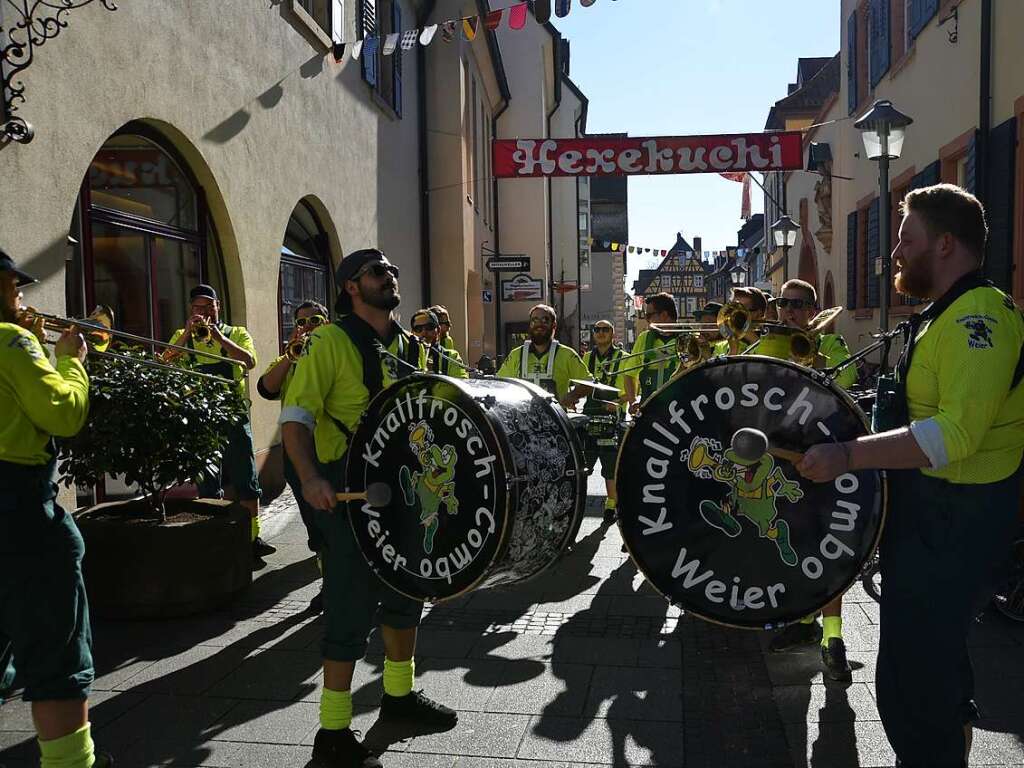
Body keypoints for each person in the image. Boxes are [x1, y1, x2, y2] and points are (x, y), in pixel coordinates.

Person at [795, 184, 1024, 767]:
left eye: (905, 238)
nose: (893, 252)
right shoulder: (942, 315)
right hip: (931, 521)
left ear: (944, 244)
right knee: (925, 668)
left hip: (959, 524)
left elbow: (955, 435)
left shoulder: (979, 320)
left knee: (916, 682)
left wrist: (849, 456)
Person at [280, 249, 455, 768]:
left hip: (403, 486)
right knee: (349, 605)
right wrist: (310, 477)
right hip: (349, 487)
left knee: (407, 594)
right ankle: (331, 733)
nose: (391, 275)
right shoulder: (328, 342)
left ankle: (398, 697)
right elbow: (294, 418)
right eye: (380, 272)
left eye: (393, 270)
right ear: (352, 287)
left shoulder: (405, 344)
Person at [0, 250, 112, 768]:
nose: (21, 297)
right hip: (20, 509)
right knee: (57, 650)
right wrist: (70, 358)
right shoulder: (12, 341)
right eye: (15, 287)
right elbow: (62, 414)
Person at [765, 278, 857, 681]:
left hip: (824, 458)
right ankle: (802, 622)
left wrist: (815, 354)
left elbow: (849, 380)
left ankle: (832, 638)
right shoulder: (770, 342)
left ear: (813, 309)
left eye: (800, 305)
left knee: (828, 549)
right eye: (785, 303)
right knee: (788, 543)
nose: (791, 311)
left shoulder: (833, 345)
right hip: (782, 459)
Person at [162, 284, 270, 561]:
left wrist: (220, 338)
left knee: (246, 477)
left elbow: (249, 361)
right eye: (198, 308)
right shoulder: (181, 336)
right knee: (207, 483)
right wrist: (187, 333)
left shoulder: (237, 333)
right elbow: (164, 363)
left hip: (233, 413)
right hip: (201, 415)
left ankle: (252, 538)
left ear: (218, 306)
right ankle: (218, 538)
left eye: (208, 306)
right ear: (190, 310)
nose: (204, 312)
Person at [256, 300, 329, 610]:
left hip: (330, 447)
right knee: (314, 519)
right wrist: (290, 354)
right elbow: (265, 388)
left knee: (332, 519)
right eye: (302, 321)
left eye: (315, 319)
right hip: (298, 452)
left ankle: (336, 582)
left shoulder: (335, 354)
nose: (308, 325)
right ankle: (328, 572)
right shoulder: (290, 358)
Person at [581, 320, 636, 522]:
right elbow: (581, 385)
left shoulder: (624, 358)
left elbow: (632, 390)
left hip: (613, 418)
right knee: (583, 465)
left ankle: (611, 506)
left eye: (605, 330)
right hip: (589, 416)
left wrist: (619, 402)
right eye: (597, 329)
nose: (601, 333)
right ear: (593, 334)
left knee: (610, 467)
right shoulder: (586, 358)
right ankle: (578, 503)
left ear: (613, 334)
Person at [496, 303, 589, 407]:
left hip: (556, 419)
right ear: (530, 324)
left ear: (554, 325)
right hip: (524, 419)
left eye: (545, 320)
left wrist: (572, 396)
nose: (539, 324)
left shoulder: (567, 354)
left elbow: (588, 384)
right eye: (534, 320)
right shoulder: (516, 354)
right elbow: (500, 383)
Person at [629, 292, 679, 411]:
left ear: (664, 315)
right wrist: (632, 401)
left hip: (680, 410)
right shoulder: (644, 338)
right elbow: (629, 374)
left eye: (649, 315)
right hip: (649, 409)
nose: (647, 319)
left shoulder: (689, 338)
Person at [411, 308, 468, 378]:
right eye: (418, 329)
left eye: (429, 327)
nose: (424, 332)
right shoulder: (405, 356)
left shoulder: (452, 357)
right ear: (412, 332)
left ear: (438, 330)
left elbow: (460, 384)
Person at [712, 286, 767, 355]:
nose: (735, 315)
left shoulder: (770, 343)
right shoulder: (721, 346)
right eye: (732, 308)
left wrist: (754, 340)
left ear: (758, 314)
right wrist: (733, 351)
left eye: (741, 309)